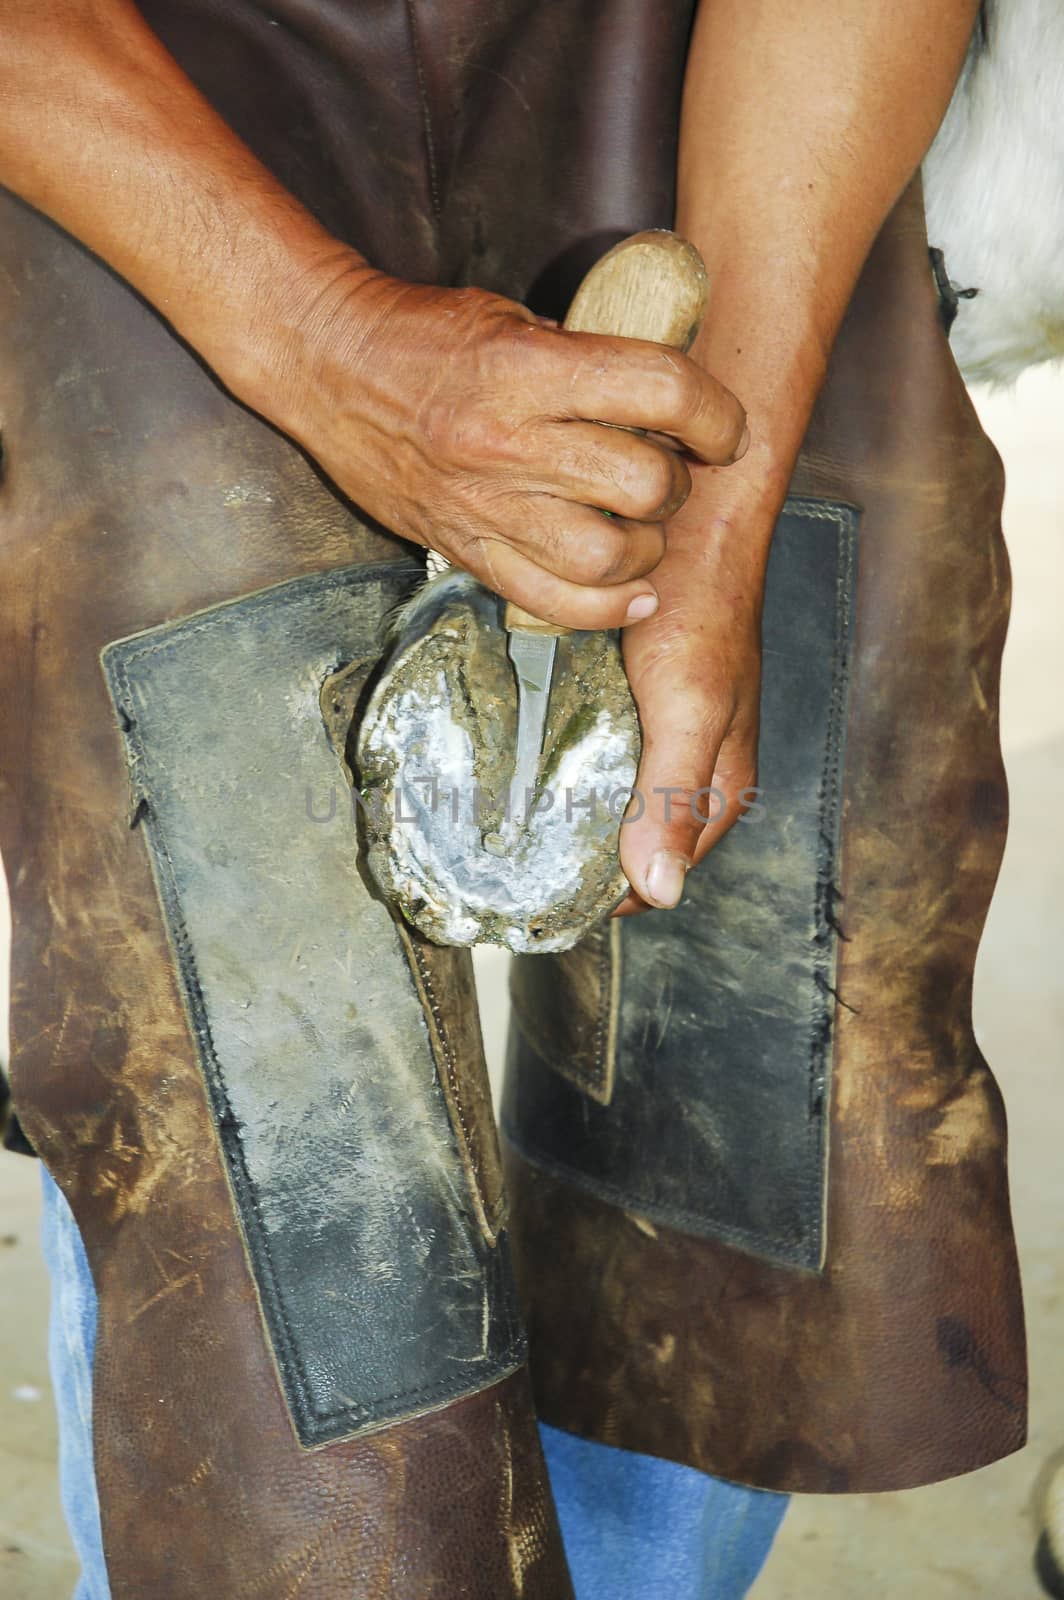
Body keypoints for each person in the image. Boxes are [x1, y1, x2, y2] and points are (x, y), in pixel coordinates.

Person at [0, 1, 1026, 1595]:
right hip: (119, 116)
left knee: (739, 1062)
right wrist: (324, 339)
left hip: (718, 86)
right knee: (263, 1107)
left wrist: (725, 484)